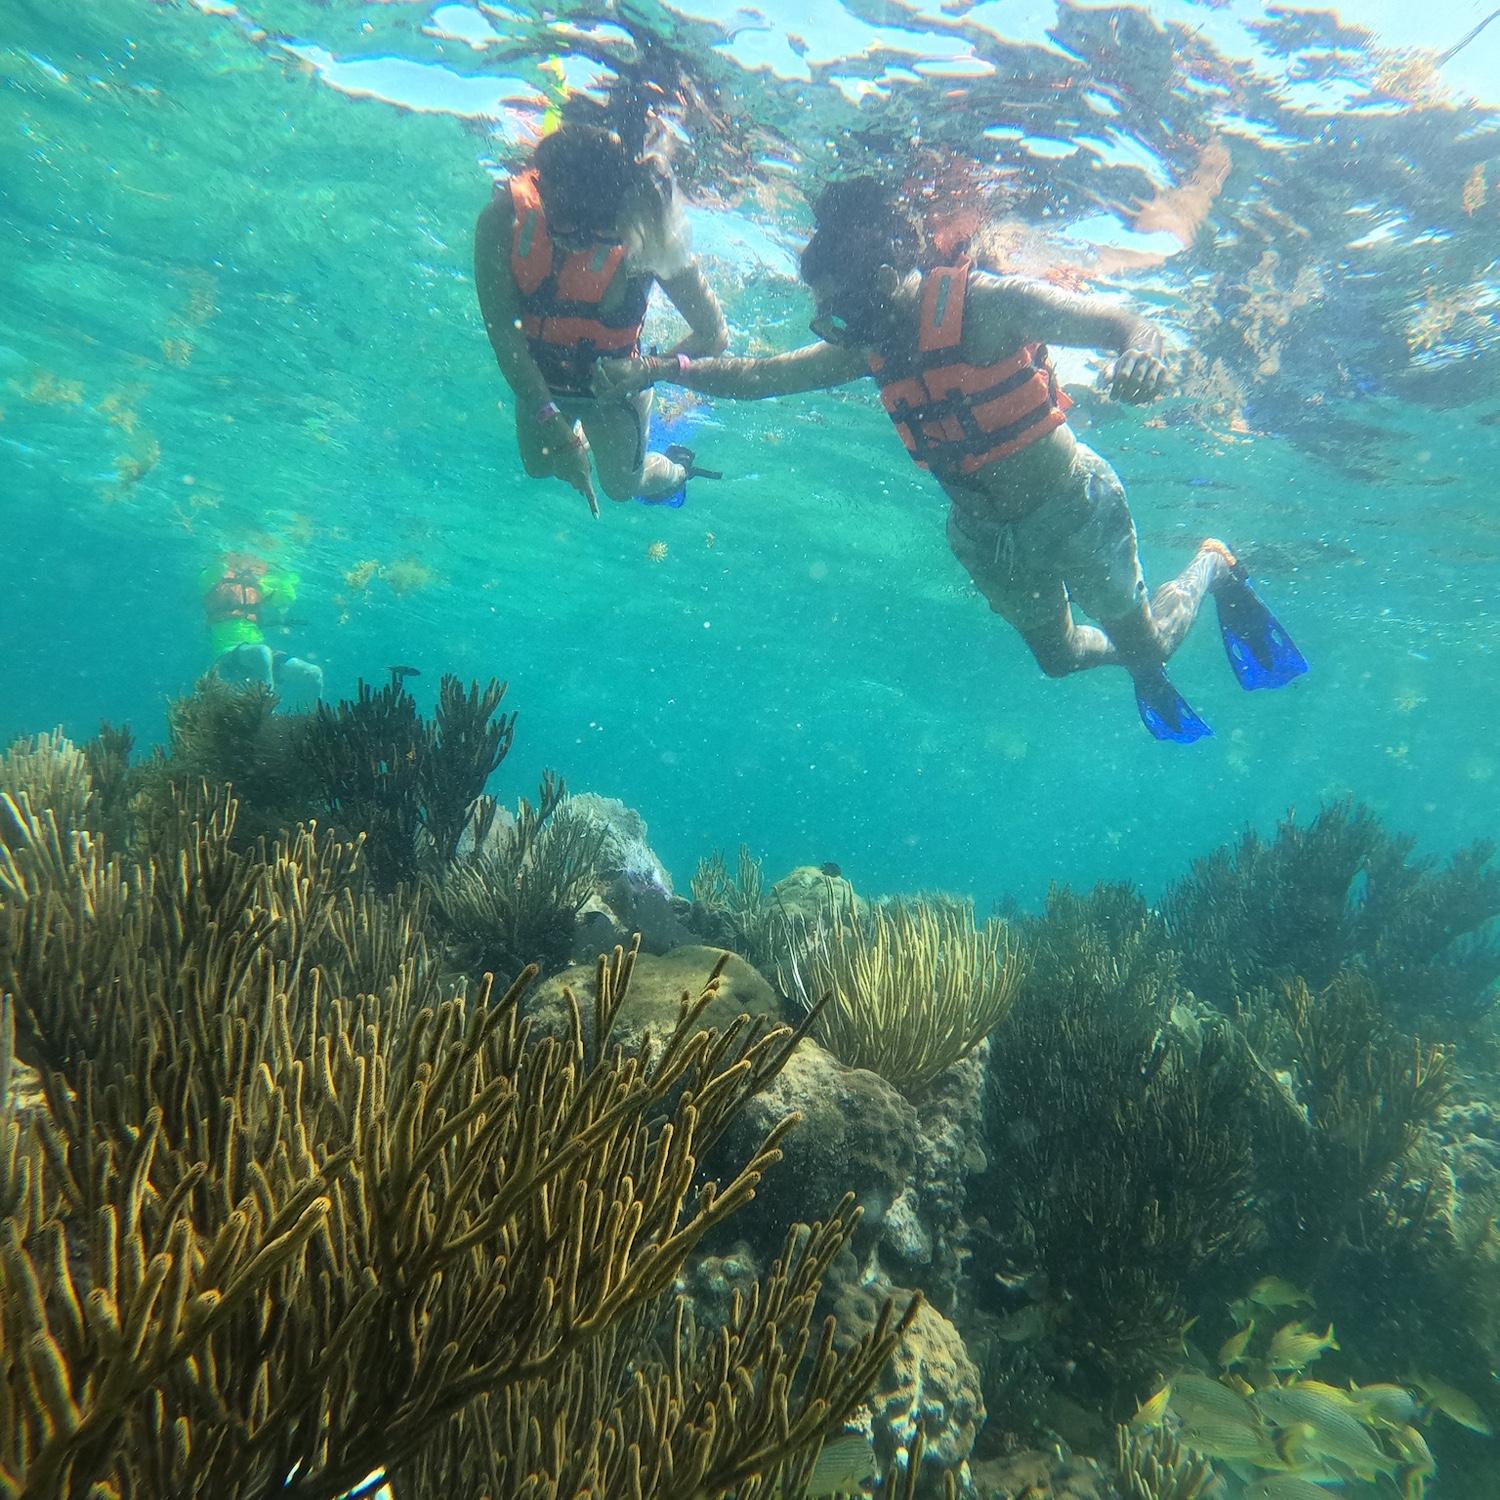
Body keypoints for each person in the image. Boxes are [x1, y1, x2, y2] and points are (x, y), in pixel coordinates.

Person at [593, 178, 1306, 741]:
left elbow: (1124, 324)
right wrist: (660, 367)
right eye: (827, 321)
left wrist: (1142, 355)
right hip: (985, 539)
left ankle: (1210, 565)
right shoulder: (868, 345)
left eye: (838, 314)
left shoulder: (985, 305)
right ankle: (1137, 659)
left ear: (878, 279)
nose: (837, 333)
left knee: (1153, 647)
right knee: (1057, 661)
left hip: (1069, 508)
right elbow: (755, 376)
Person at [474, 123, 729, 516]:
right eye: (561, 223)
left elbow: (714, 334)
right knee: (539, 466)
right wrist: (557, 430)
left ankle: (679, 470)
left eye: (592, 230)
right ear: (541, 189)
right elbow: (505, 336)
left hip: (615, 390)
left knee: (622, 487)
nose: (574, 241)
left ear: (617, 214)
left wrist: (647, 370)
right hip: (542, 380)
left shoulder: (648, 233)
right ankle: (579, 435)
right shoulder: (503, 219)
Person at [201, 552, 324, 711]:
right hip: (226, 652)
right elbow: (216, 567)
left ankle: (317, 727)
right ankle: (265, 720)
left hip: (256, 653)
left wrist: (282, 575)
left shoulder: (257, 585)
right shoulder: (212, 578)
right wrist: (229, 558)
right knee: (262, 653)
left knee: (314, 673)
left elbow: (285, 599)